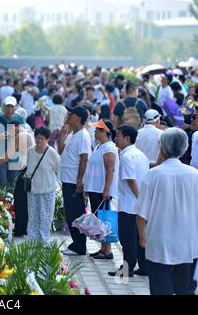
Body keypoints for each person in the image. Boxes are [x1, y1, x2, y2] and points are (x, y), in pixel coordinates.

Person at [135, 128, 198, 295]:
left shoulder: (153, 175)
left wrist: (142, 236)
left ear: (162, 149)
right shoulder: (195, 175)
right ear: (184, 148)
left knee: (160, 289)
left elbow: (141, 214)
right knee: (185, 290)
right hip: (189, 243)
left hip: (158, 242)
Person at [109, 125, 149, 278]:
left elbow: (131, 180)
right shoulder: (139, 154)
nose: (115, 138)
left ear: (127, 138)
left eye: (118, 135)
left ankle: (128, 269)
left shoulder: (126, 156)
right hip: (138, 205)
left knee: (127, 239)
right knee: (139, 237)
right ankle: (143, 267)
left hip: (129, 204)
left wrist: (139, 198)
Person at [58, 106, 91, 256]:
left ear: (78, 118)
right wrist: (62, 134)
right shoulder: (72, 134)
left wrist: (80, 180)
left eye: (71, 114)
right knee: (70, 213)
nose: (68, 116)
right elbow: (61, 150)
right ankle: (75, 243)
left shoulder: (83, 135)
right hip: (67, 179)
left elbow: (84, 158)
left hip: (74, 181)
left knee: (76, 214)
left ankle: (80, 246)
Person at [83, 119, 119, 260]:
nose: (95, 132)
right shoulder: (99, 146)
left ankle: (107, 250)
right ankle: (102, 248)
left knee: (104, 219)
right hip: (95, 188)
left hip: (101, 189)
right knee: (99, 219)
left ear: (105, 132)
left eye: (98, 129)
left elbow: (110, 169)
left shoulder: (109, 148)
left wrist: (107, 189)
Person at [25, 126, 60, 246]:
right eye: (37, 138)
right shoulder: (30, 151)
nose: (39, 141)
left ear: (48, 139)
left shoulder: (52, 153)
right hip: (33, 190)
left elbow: (58, 169)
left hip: (48, 190)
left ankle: (44, 241)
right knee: (33, 216)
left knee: (46, 217)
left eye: (42, 139)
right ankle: (32, 240)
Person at [0, 96, 25, 188]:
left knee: (12, 185)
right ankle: (0, 202)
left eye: (12, 107)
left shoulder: (19, 119)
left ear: (15, 107)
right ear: (3, 107)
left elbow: (24, 139)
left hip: (14, 158)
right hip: (0, 157)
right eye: (7, 106)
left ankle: (12, 202)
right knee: (1, 184)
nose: (9, 109)